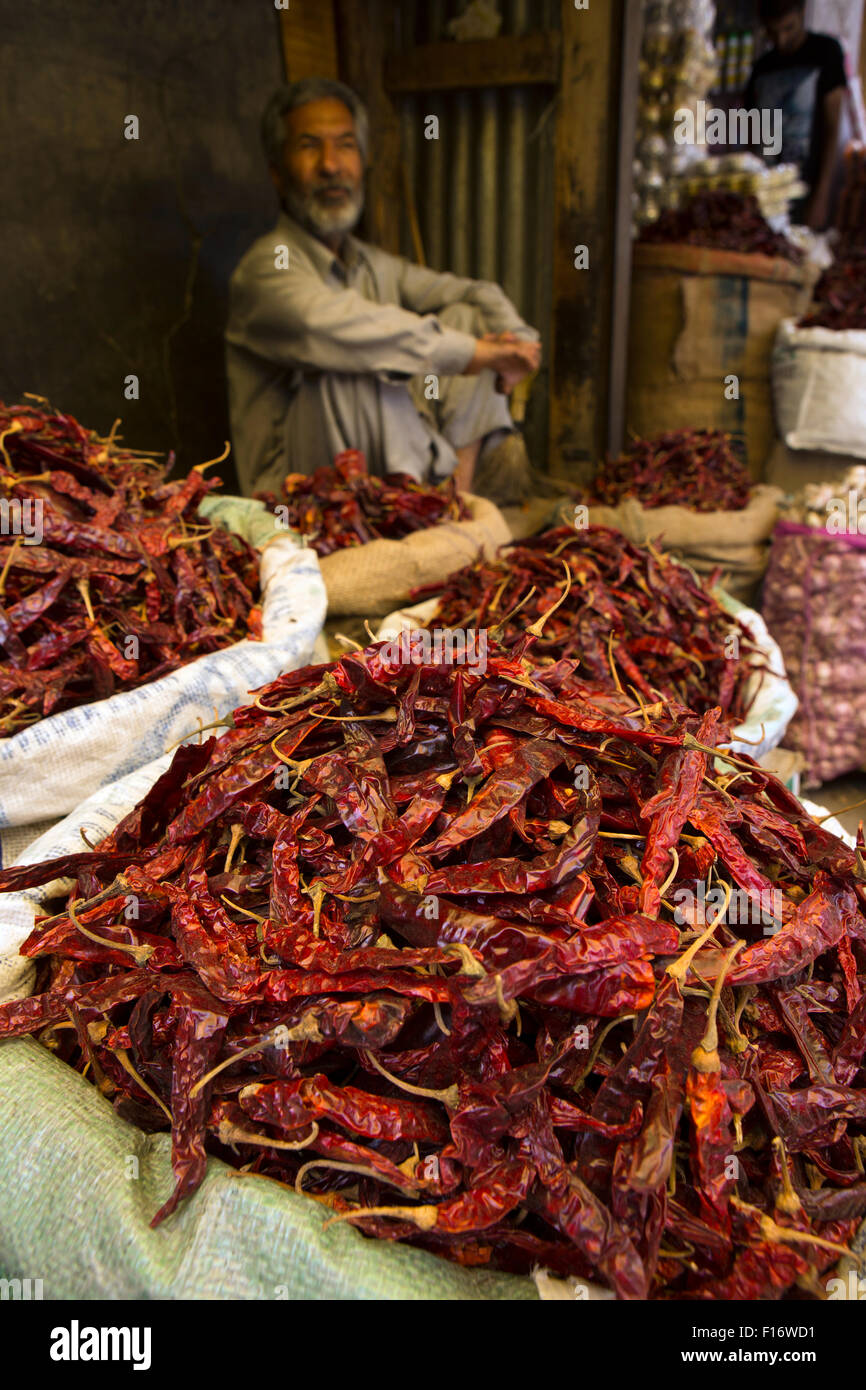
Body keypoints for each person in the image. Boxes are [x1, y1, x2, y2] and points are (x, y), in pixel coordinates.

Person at [226, 78, 541, 503]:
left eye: (345, 145)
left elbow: (475, 292)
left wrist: (517, 344)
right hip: (297, 494)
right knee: (350, 365)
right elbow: (330, 328)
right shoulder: (266, 267)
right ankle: (427, 517)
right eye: (309, 145)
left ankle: (455, 503)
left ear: (364, 160)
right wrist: (472, 354)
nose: (331, 164)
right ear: (277, 174)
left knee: (470, 320)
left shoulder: (371, 263)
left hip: (388, 469)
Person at [743, 0, 848, 229]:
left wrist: (822, 195)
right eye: (772, 32)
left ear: (802, 13)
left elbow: (832, 128)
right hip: (767, 192)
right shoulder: (761, 68)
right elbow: (751, 136)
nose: (780, 40)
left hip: (807, 187)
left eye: (788, 28)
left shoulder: (826, 52)